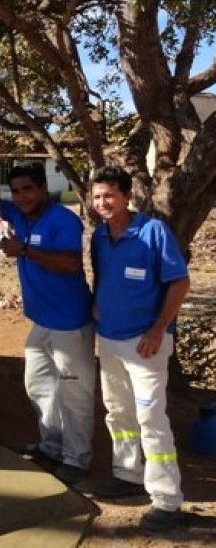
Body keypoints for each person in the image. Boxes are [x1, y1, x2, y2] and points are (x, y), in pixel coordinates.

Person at [0, 142, 96, 486]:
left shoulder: (62, 220)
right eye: (16, 192)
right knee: (38, 385)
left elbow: (72, 264)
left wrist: (24, 250)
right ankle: (52, 446)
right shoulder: (17, 215)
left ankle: (77, 458)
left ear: (43, 189)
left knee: (74, 392)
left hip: (70, 324)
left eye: (28, 189)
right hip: (42, 323)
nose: (22, 197)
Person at [89, 166, 190, 533]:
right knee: (118, 412)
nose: (102, 203)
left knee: (151, 419)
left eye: (109, 195)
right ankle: (127, 475)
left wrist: (157, 330)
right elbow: (102, 275)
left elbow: (179, 282)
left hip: (146, 344)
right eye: (97, 196)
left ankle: (167, 500)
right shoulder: (99, 237)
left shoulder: (153, 232)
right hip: (110, 339)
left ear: (128, 196)